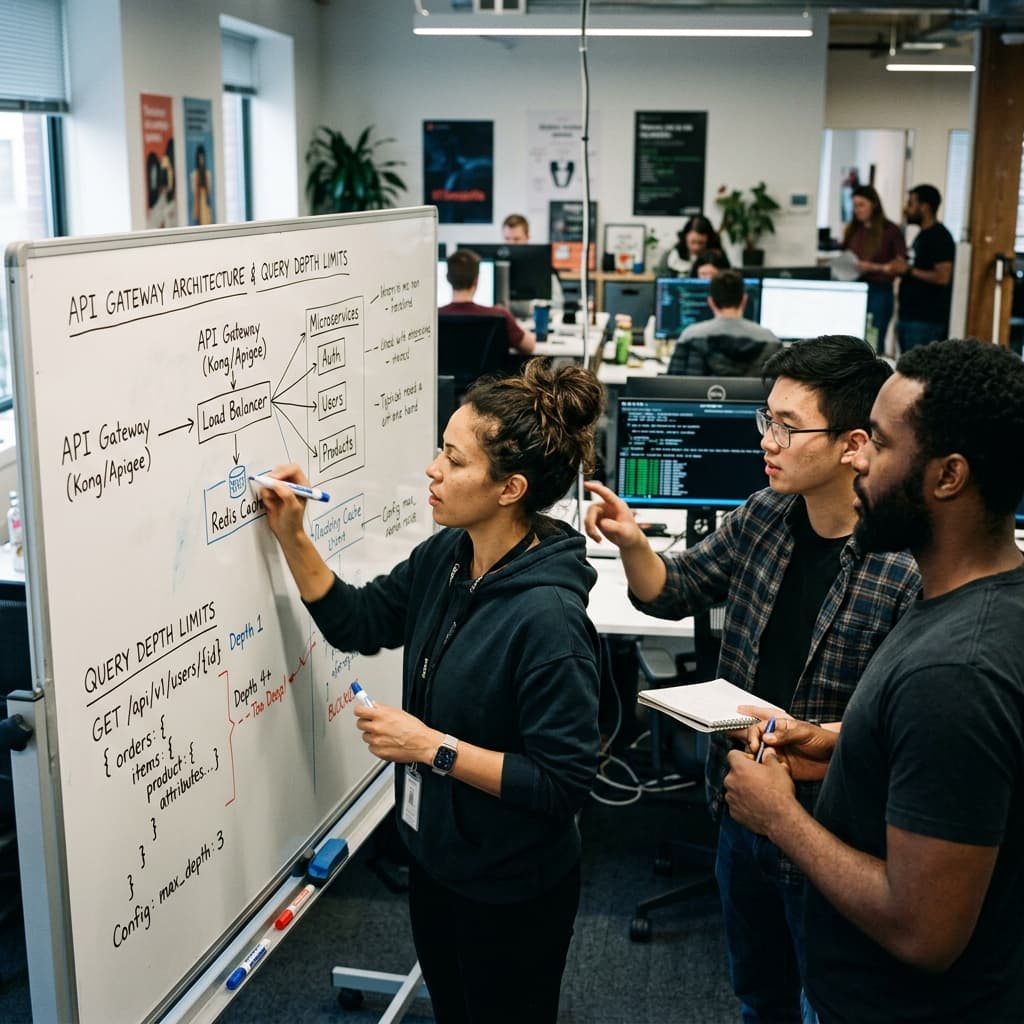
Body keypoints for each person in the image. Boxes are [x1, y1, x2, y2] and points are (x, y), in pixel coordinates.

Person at [584, 335, 920, 1024]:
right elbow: (673, 590)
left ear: (855, 445)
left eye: (788, 427)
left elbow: (903, 722)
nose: (767, 439)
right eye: (766, 420)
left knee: (825, 1003)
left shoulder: (903, 565)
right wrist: (632, 542)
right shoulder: (766, 515)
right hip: (742, 809)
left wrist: (818, 740)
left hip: (832, 832)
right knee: (758, 997)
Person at [259, 359, 605, 1024]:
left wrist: (431, 748)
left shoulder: (548, 621)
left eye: (453, 458)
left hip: (511, 887)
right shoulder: (449, 557)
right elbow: (359, 622)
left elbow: (563, 784)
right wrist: (293, 535)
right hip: (438, 857)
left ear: (510, 489)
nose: (431, 470)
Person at [723, 338, 1024, 1024]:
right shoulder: (983, 597)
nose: (855, 455)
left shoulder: (955, 674)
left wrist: (779, 819)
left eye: (880, 444)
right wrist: (841, 744)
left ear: (947, 477)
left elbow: (924, 931)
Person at [668, 268, 781, 377]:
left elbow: (670, 387)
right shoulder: (771, 341)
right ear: (744, 300)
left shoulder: (688, 337)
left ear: (711, 302)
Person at [890, 184, 956, 352]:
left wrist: (909, 270)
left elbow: (943, 276)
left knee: (917, 375)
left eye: (911, 204)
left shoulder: (940, 237)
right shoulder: (922, 235)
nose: (906, 209)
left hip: (925, 320)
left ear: (924, 207)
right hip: (910, 316)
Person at [840, 184, 906, 352]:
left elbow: (900, 266)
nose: (857, 210)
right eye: (855, 206)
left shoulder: (890, 230)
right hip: (855, 287)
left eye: (861, 205)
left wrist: (872, 267)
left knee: (873, 339)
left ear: (874, 204)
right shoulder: (854, 229)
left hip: (879, 290)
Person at [440, 249, 536, 354]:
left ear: (447, 278)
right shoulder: (500, 315)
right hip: (490, 371)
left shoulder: (433, 317)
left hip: (443, 371)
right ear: (476, 280)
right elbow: (529, 347)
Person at [660, 214, 730, 277]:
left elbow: (729, 279)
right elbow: (661, 281)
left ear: (709, 240)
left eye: (701, 243)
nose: (696, 247)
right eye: (692, 242)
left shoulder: (718, 256)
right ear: (685, 237)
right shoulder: (672, 255)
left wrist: (718, 274)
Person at [190, 143, 213, 225]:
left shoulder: (208, 174)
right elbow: (193, 191)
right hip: (198, 208)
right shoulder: (194, 175)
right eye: (200, 158)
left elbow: (210, 191)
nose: (201, 161)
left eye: (202, 158)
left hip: (206, 206)